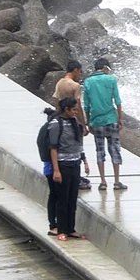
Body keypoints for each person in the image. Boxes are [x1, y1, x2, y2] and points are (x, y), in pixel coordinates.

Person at [81, 58, 125, 190]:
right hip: (111, 119)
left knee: (100, 151)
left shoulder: (88, 82)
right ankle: (117, 181)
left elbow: (87, 105)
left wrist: (88, 122)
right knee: (115, 150)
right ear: (105, 68)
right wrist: (120, 118)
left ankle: (103, 181)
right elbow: (117, 100)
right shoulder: (111, 79)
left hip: (96, 121)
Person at [49, 96, 86, 242]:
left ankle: (71, 228)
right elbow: (53, 148)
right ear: (66, 109)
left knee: (72, 198)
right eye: (74, 110)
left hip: (75, 163)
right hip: (63, 164)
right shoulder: (56, 124)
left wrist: (84, 161)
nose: (76, 112)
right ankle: (61, 229)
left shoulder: (75, 123)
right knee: (62, 199)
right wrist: (56, 170)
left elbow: (78, 144)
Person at [52, 60, 92, 190]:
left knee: (61, 146)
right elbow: (78, 105)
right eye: (80, 72)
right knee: (76, 147)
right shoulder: (75, 86)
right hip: (72, 120)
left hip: (61, 117)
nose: (80, 75)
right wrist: (83, 124)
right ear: (75, 70)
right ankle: (77, 177)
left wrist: (58, 114)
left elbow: (56, 100)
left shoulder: (59, 83)